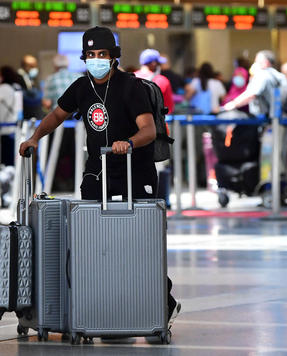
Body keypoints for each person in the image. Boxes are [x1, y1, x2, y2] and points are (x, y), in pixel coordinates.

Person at [19, 26, 180, 328]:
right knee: (94, 241)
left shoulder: (130, 87)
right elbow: (56, 115)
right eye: (90, 55)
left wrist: (128, 142)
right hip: (98, 172)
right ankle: (105, 304)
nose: (96, 60)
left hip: (135, 171)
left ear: (114, 57)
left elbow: (148, 129)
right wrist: (34, 137)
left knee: (140, 242)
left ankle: (163, 299)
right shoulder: (81, 88)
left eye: (102, 55)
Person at [41, 54, 84, 191]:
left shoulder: (51, 79)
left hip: (58, 122)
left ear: (55, 66)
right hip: (78, 123)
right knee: (76, 153)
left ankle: (51, 184)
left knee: (55, 153)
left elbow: (47, 103)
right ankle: (77, 183)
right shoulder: (78, 77)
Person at [223, 50, 287, 117]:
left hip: (264, 117)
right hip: (276, 116)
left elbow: (251, 93)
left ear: (266, 63)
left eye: (256, 62)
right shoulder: (279, 75)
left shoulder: (262, 74)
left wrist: (233, 104)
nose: (254, 64)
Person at [134, 49, 175, 114]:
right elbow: (169, 108)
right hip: (154, 122)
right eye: (159, 63)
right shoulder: (162, 81)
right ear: (154, 63)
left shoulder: (130, 78)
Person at [0, 65, 22, 167]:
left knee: (5, 160)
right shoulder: (17, 87)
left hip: (5, 129)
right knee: (14, 160)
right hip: (17, 127)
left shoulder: (3, 88)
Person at [17, 54, 43, 120]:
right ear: (26, 66)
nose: (35, 69)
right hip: (24, 108)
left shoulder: (29, 77)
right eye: (32, 66)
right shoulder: (19, 76)